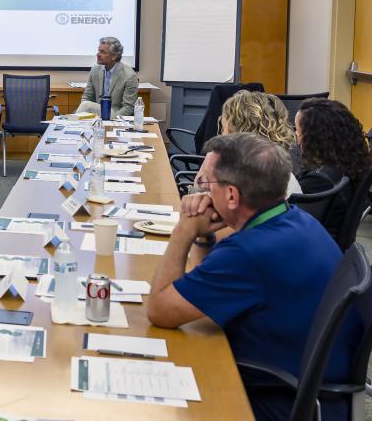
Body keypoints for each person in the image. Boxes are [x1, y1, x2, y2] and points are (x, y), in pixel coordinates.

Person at [147, 133, 358, 420]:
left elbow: (160, 310)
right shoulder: (296, 219)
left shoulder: (248, 253)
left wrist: (184, 230)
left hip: (277, 398)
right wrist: (205, 237)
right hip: (315, 388)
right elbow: (208, 290)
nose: (201, 192)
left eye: (207, 183)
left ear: (232, 195)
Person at [295, 97, 372, 244]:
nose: (296, 140)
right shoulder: (351, 164)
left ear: (313, 137)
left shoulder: (318, 181)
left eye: (298, 132)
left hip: (312, 247)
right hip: (331, 247)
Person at [219, 90, 302, 196]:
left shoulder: (247, 179)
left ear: (238, 131)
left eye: (224, 129)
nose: (221, 136)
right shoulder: (285, 169)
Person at [77, 36, 140, 117]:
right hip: (95, 115)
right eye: (99, 50)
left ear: (114, 56)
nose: (98, 54)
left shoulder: (129, 75)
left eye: (103, 52)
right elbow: (87, 97)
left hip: (116, 115)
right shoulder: (95, 69)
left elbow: (129, 107)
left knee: (85, 105)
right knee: (85, 104)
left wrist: (112, 121)